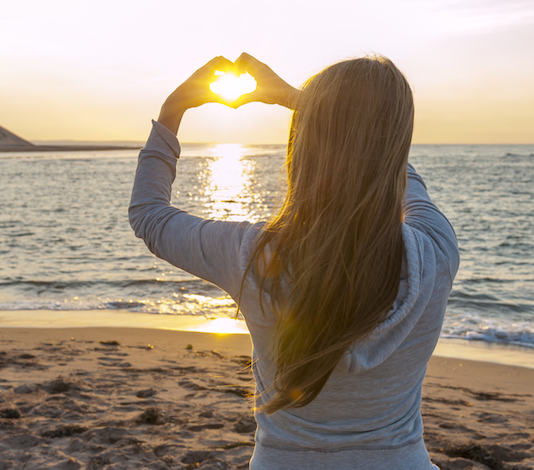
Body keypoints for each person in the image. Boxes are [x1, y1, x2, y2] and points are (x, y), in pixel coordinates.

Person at [129, 53, 459, 470]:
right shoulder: (436, 249)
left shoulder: (253, 255)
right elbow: (395, 172)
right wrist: (301, 101)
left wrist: (173, 109)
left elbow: (149, 216)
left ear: (305, 146)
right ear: (398, 142)